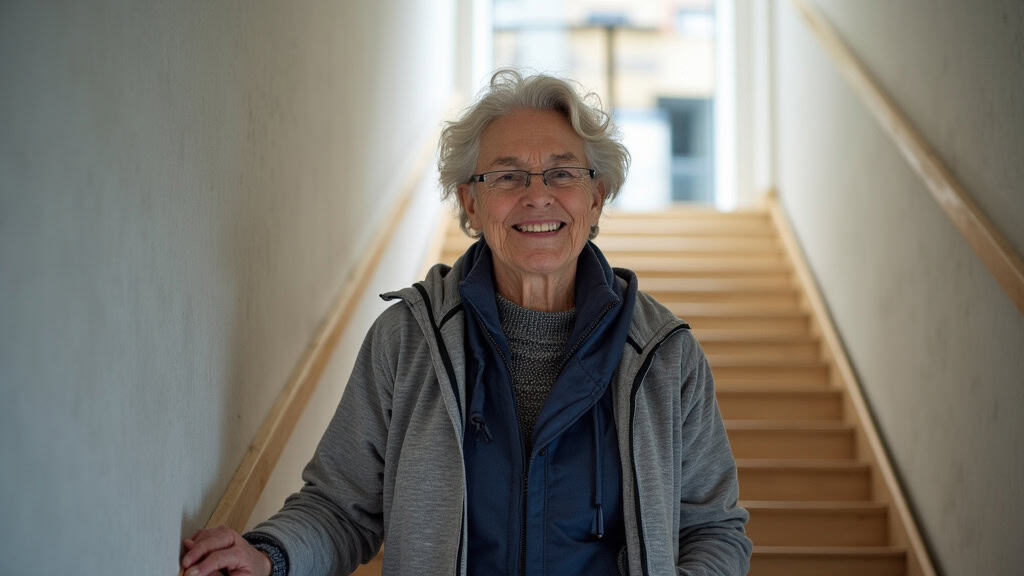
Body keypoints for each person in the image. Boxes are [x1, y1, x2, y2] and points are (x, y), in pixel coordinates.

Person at [181, 69, 751, 576]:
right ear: (469, 204)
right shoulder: (405, 340)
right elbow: (339, 507)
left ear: (597, 198)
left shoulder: (665, 355)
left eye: (562, 174)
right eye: (506, 177)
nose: (537, 197)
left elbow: (713, 532)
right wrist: (269, 556)